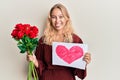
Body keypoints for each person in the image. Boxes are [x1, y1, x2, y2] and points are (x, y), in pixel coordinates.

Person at [26, 3, 91, 80]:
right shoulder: (43, 40)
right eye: (54, 17)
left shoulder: (75, 40)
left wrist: (84, 62)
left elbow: (79, 73)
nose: (57, 21)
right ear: (50, 19)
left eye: (61, 17)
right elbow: (40, 67)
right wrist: (34, 61)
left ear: (66, 18)